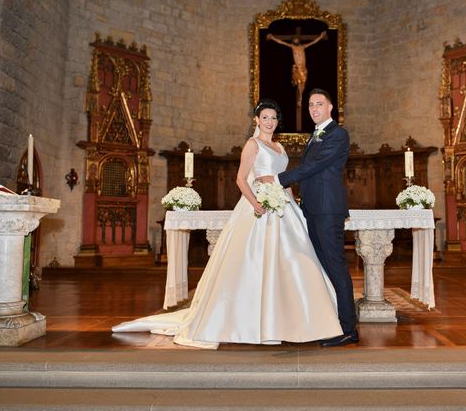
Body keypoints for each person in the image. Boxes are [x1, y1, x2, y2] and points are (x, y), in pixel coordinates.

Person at [111, 99, 342, 348]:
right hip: (257, 209)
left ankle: (294, 319)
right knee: (254, 263)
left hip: (284, 208)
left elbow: (281, 178)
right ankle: (252, 320)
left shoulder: (279, 147)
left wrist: (280, 193)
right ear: (256, 120)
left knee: (294, 262)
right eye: (265, 117)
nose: (269, 122)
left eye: (274, 118)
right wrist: (255, 203)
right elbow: (241, 179)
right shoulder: (252, 145)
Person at [257, 89, 358, 347]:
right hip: (313, 210)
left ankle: (348, 329)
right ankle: (329, 322)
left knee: (335, 266)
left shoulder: (338, 134)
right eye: (311, 104)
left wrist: (279, 180)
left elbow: (315, 167)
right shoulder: (314, 136)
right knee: (322, 267)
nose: (314, 108)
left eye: (319, 104)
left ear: (330, 107)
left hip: (328, 211)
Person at [266, 31, 327, 103]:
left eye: (296, 39)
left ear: (298, 40)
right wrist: (272, 38)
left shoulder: (303, 47)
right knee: (299, 83)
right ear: (293, 41)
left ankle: (300, 95)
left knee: (303, 85)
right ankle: (300, 98)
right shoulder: (293, 47)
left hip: (303, 68)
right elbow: (281, 42)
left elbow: (313, 42)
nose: (295, 40)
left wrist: (321, 36)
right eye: (294, 39)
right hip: (297, 68)